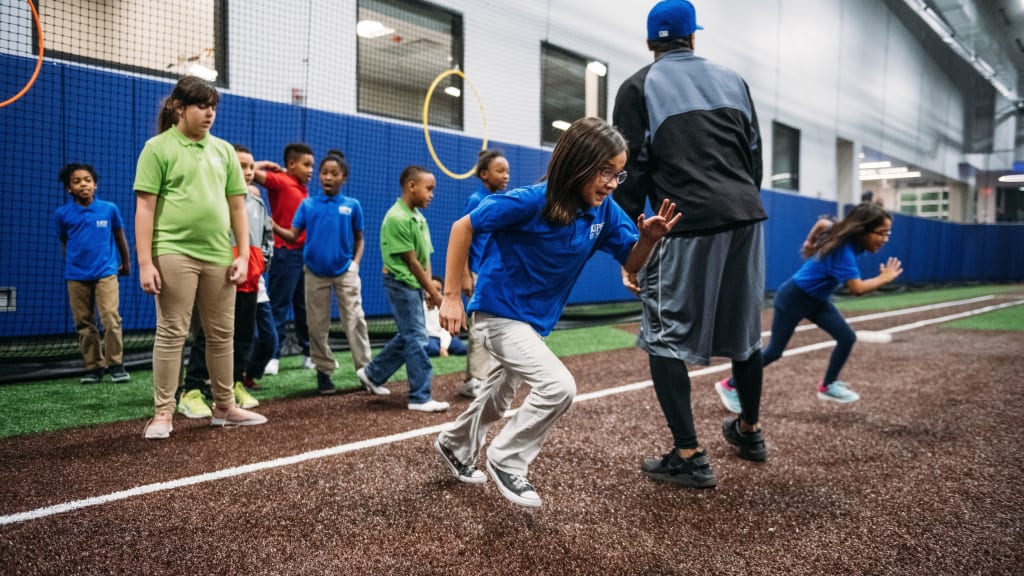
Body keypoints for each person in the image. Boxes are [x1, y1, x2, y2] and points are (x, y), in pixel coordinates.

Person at [434, 117, 680, 508]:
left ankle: (454, 444)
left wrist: (648, 240)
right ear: (578, 163)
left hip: (532, 323)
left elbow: (631, 263)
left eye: (619, 174)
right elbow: (462, 227)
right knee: (558, 387)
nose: (613, 183)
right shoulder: (530, 200)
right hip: (497, 313)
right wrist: (450, 296)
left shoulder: (605, 211)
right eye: (605, 172)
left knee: (498, 397)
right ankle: (507, 460)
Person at [612, 0, 769, 488]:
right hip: (746, 216)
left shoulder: (638, 86)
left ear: (650, 43)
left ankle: (689, 455)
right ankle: (749, 431)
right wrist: (739, 201)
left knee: (664, 335)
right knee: (745, 335)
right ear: (693, 37)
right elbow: (754, 155)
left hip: (682, 220)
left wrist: (631, 246)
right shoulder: (734, 80)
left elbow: (631, 168)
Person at [133, 75, 267, 439]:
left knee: (222, 333)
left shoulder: (223, 150)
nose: (209, 114)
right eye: (201, 106)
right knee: (172, 332)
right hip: (173, 252)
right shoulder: (157, 148)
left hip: (219, 255)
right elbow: (145, 209)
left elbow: (237, 208)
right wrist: (146, 262)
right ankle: (163, 414)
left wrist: (241, 255)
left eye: (213, 107)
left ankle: (224, 407)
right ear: (179, 107)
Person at [715, 203, 903, 411]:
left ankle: (828, 386)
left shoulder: (843, 235)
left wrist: (809, 243)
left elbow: (822, 224)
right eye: (881, 233)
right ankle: (728, 386)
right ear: (863, 229)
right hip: (793, 298)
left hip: (816, 300)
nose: (885, 240)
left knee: (847, 337)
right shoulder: (845, 252)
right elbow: (856, 288)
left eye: (888, 234)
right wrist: (884, 278)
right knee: (773, 352)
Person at [176, 144, 270, 417]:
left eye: (251, 166)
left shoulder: (258, 203)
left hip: (250, 281)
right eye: (241, 166)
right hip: (220, 279)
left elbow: (267, 239)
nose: (248, 172)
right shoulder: (216, 200)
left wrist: (260, 267)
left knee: (243, 336)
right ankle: (192, 389)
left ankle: (234, 384)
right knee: (209, 335)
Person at [274, 150, 373, 395]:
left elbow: (360, 239)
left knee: (355, 320)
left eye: (334, 174)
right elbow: (293, 235)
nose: (328, 177)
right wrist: (273, 225)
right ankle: (324, 372)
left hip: (345, 272)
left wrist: (355, 264)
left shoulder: (352, 206)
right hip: (314, 273)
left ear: (343, 178)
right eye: (324, 173)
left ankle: (367, 372)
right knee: (316, 326)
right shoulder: (308, 205)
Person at [355, 166, 450, 412]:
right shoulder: (397, 217)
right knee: (417, 337)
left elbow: (425, 257)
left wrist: (430, 289)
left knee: (410, 333)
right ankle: (420, 396)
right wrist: (438, 295)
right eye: (428, 189)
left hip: (414, 283)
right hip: (401, 283)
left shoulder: (419, 217)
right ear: (411, 186)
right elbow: (412, 262)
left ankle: (372, 374)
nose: (431, 194)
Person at [55, 163, 131, 384]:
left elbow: (120, 238)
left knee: (110, 318)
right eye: (77, 181)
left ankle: (116, 364)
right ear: (69, 188)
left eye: (87, 180)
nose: (83, 184)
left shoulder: (109, 209)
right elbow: (64, 242)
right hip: (76, 277)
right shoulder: (62, 214)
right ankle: (93, 366)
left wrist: (126, 264)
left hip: (106, 273)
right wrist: (73, 265)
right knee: (84, 323)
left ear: (95, 184)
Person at [255, 143, 315, 374]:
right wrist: (265, 165)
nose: (311, 170)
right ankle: (272, 356)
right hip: (285, 253)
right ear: (291, 164)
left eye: (312, 165)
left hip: (304, 255)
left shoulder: (302, 188)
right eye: (306, 165)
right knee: (279, 305)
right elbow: (243, 171)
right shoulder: (279, 180)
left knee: (303, 307)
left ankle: (309, 354)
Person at [455, 150, 510, 397]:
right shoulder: (477, 199)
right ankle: (474, 379)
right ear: (485, 174)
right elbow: (464, 237)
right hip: (477, 272)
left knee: (491, 326)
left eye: (507, 170)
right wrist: (465, 274)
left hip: (491, 274)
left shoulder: (498, 200)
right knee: (479, 327)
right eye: (500, 171)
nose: (506, 175)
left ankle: (486, 375)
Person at [424, 275, 467, 358]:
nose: (434, 292)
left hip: (444, 337)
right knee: (433, 349)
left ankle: (444, 349)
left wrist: (444, 347)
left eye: (438, 290)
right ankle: (439, 349)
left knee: (462, 349)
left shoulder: (444, 307)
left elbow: (446, 331)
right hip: (429, 338)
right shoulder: (419, 306)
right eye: (431, 289)